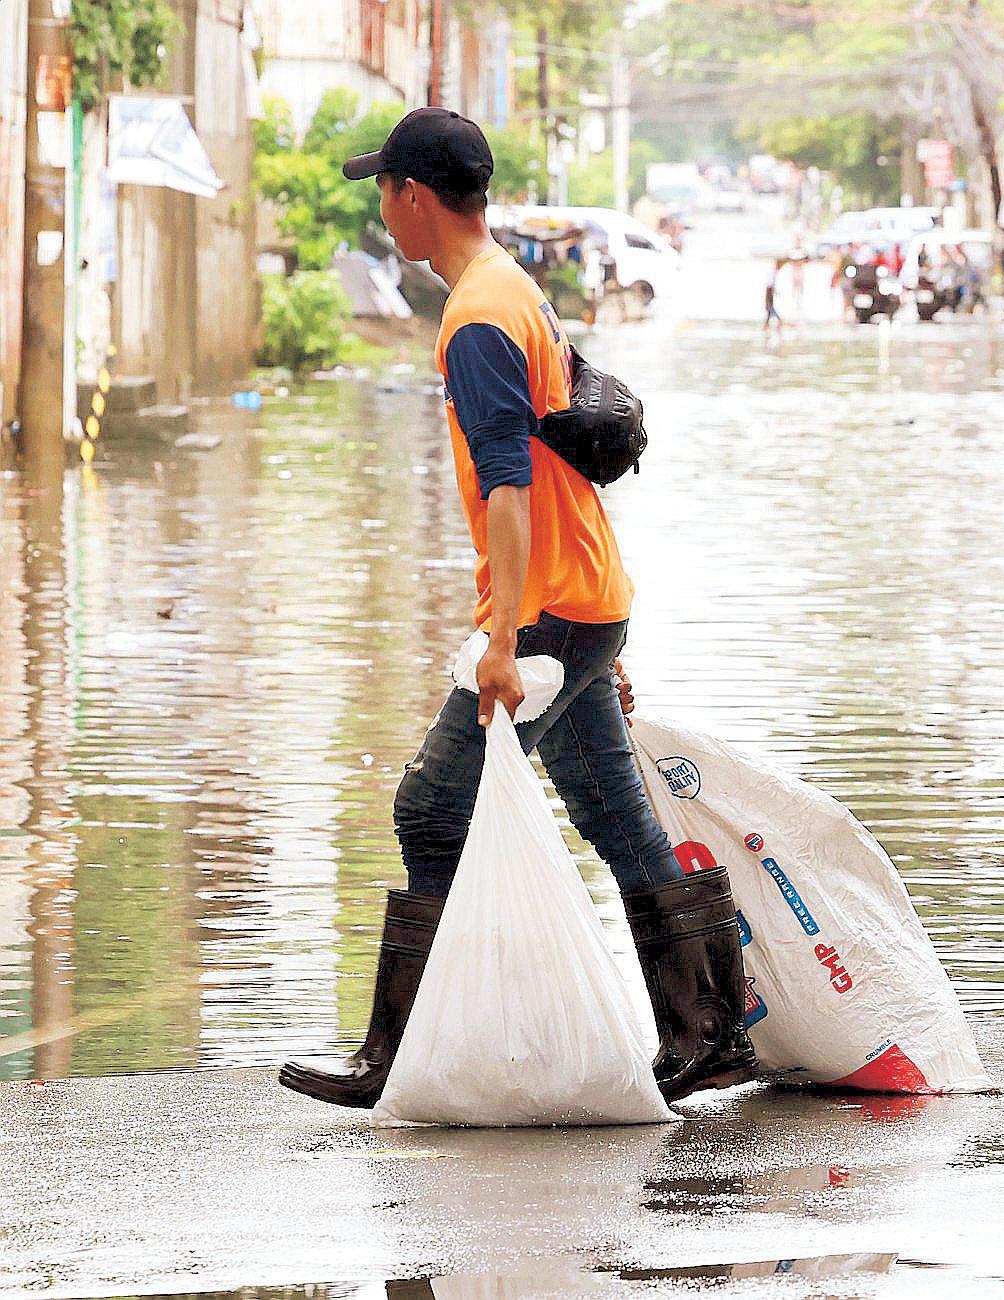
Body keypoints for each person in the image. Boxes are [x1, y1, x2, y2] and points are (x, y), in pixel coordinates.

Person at [279, 108, 758, 1111]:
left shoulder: (478, 316)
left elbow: (507, 483)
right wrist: (590, 638)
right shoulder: (510, 288)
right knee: (615, 816)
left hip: (547, 610)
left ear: (414, 197)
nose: (382, 206)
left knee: (430, 805)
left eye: (384, 189)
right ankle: (708, 1029)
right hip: (582, 600)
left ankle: (402, 1057)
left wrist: (506, 639)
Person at [763, 256, 786, 336]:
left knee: (769, 315)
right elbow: (769, 287)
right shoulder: (773, 273)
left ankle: (767, 328)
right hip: (770, 298)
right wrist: (768, 299)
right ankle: (778, 329)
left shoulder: (776, 272)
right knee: (772, 314)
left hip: (771, 298)